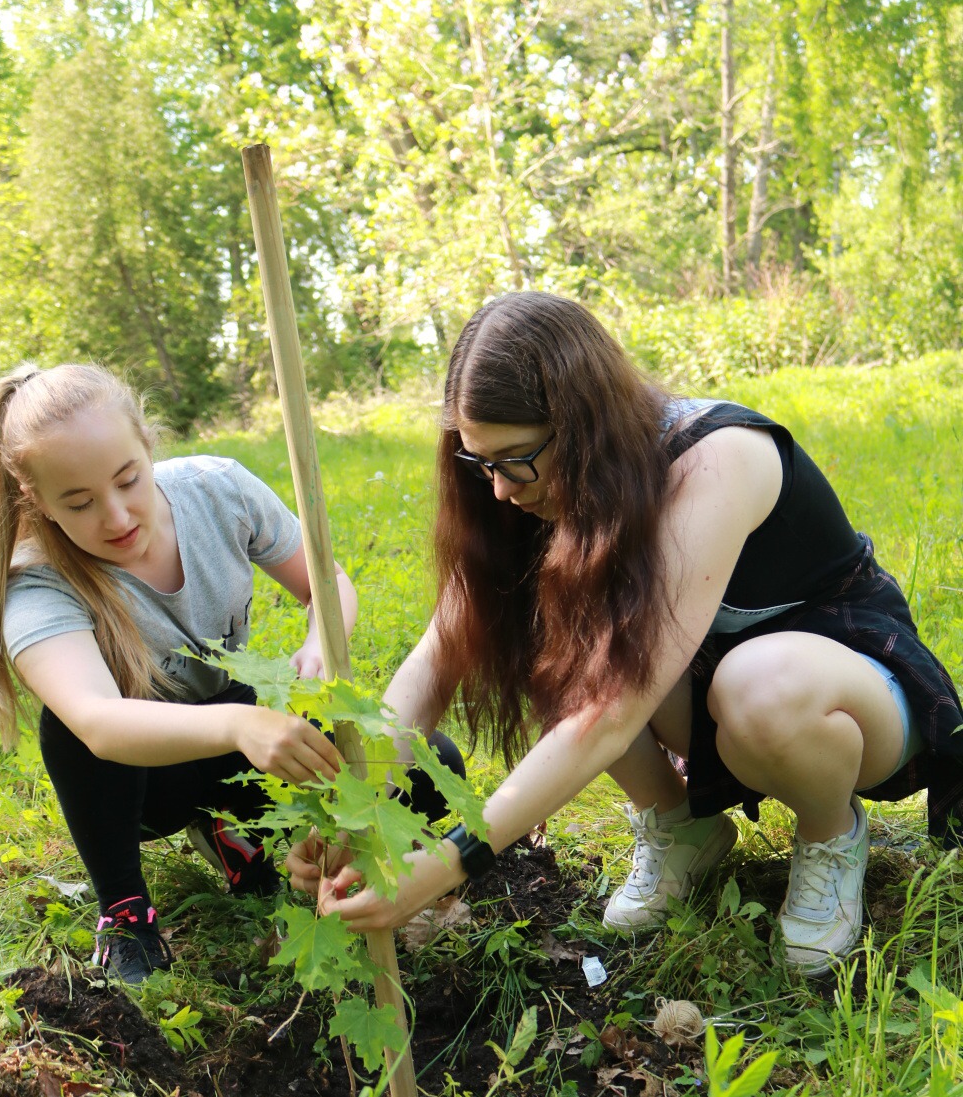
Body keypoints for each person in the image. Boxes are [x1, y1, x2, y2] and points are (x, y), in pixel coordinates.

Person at [289, 292, 963, 978]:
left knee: (759, 685)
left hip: (848, 695)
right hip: (708, 701)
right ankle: (681, 825)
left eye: (514, 458)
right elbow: (436, 661)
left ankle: (829, 834)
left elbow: (611, 711)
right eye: (479, 462)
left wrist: (448, 862)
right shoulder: (530, 493)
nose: (498, 489)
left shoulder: (717, 459)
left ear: (583, 425)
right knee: (537, 611)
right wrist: (351, 811)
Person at [0, 363, 462, 985]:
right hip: (142, 779)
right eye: (79, 503)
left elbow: (327, 584)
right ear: (36, 501)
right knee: (67, 731)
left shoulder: (216, 490)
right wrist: (239, 726)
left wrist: (319, 642)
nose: (118, 516)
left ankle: (239, 833)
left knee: (430, 761)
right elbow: (97, 721)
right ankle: (125, 913)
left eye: (129, 480)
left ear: (148, 446)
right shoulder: (37, 583)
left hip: (235, 724)